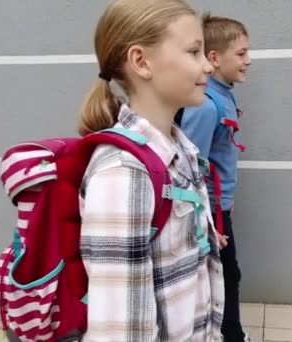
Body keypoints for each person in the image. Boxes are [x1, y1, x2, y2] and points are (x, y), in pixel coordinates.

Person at [78, 1, 225, 340]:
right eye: (193, 51)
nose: (207, 66)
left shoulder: (179, 150)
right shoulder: (123, 174)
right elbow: (118, 332)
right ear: (141, 62)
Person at [177, 13, 252, 342]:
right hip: (212, 212)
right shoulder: (207, 106)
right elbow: (189, 168)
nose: (248, 61)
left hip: (221, 207)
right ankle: (230, 335)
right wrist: (206, 219)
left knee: (225, 274)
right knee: (226, 274)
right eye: (241, 54)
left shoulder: (222, 94)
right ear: (213, 58)